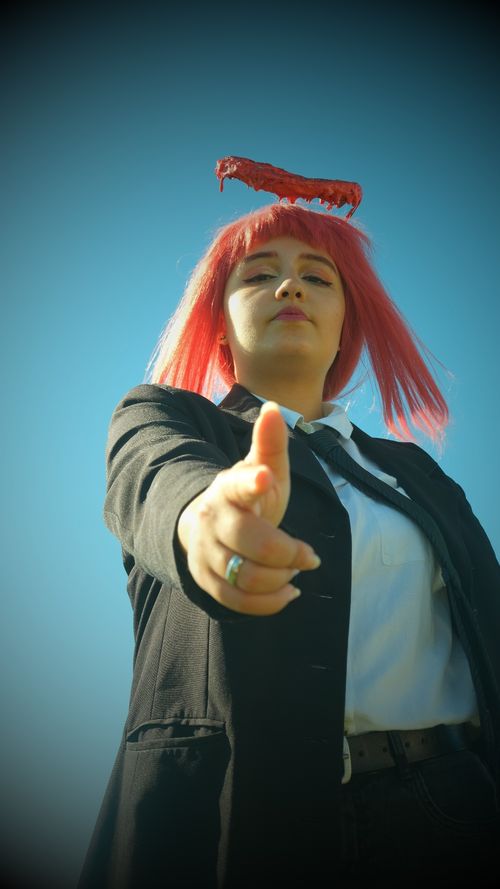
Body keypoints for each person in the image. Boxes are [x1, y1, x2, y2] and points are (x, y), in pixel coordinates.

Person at [79, 201, 500, 889]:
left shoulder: (419, 476)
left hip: (451, 811)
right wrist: (205, 518)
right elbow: (157, 480)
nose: (289, 287)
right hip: (231, 818)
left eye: (317, 276)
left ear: (345, 323)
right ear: (220, 320)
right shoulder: (163, 416)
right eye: (258, 275)